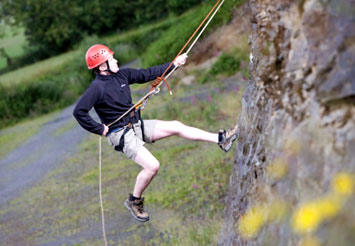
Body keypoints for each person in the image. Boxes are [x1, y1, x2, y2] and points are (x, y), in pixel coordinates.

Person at [73, 44, 239, 222]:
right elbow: (79, 111)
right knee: (152, 166)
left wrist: (174, 64)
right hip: (119, 134)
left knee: (176, 126)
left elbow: (147, 73)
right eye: (111, 59)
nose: (116, 60)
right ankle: (134, 201)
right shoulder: (96, 88)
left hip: (135, 124)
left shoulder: (122, 74)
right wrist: (99, 129)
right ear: (102, 66)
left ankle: (221, 139)